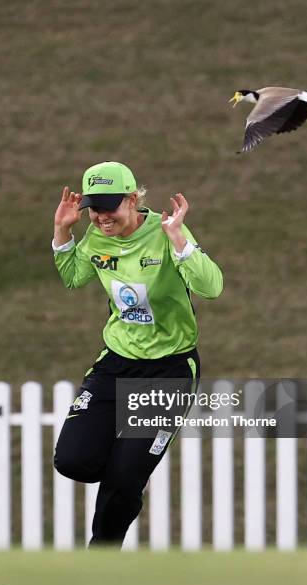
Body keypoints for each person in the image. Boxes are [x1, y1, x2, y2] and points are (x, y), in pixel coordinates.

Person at [52, 161, 223, 547]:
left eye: (109, 207)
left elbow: (212, 287)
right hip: (115, 363)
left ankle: (101, 561)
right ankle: (129, 468)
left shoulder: (165, 232)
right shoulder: (96, 237)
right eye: (94, 208)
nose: (100, 217)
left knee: (125, 477)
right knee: (73, 461)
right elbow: (72, 277)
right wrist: (63, 232)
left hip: (169, 370)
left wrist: (180, 242)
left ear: (132, 199)